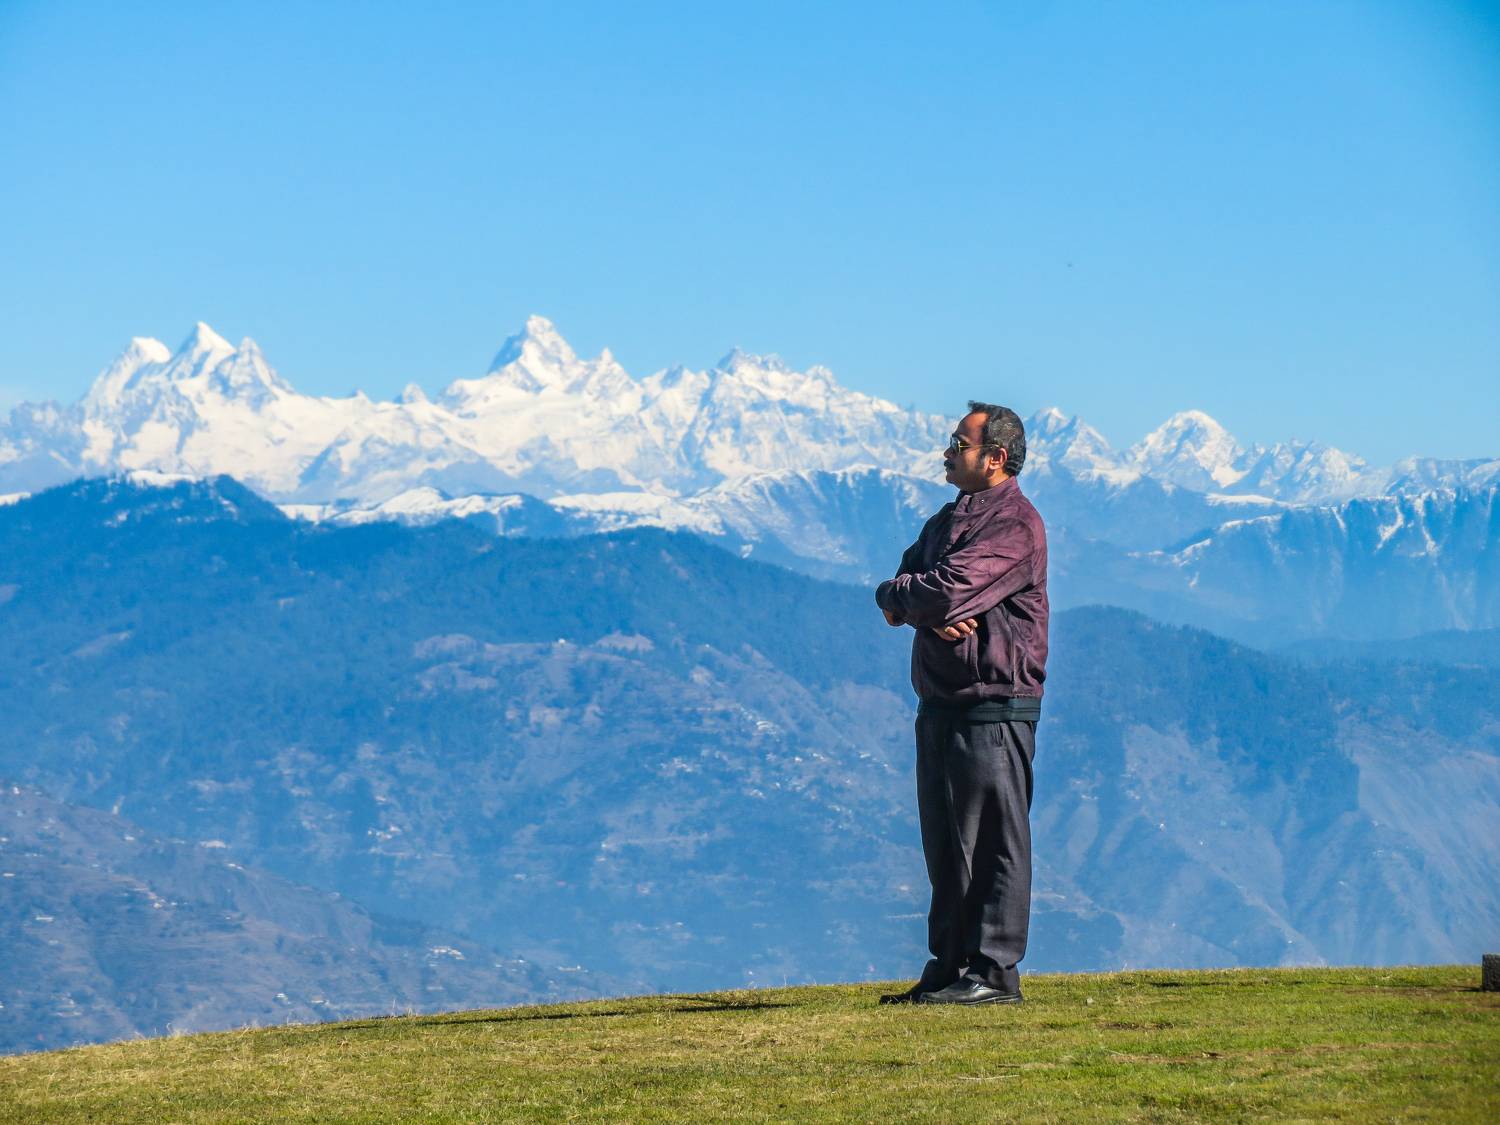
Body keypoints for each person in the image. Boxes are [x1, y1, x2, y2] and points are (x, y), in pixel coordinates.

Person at [873, 401, 1048, 1005]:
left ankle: (993, 973)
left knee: (993, 841)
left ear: (995, 458)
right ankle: (949, 966)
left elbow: (944, 592)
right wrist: (914, 606)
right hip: (942, 700)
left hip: (994, 704)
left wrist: (922, 604)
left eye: (958, 444)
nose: (946, 453)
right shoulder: (947, 520)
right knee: (946, 843)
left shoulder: (1015, 526)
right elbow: (897, 586)